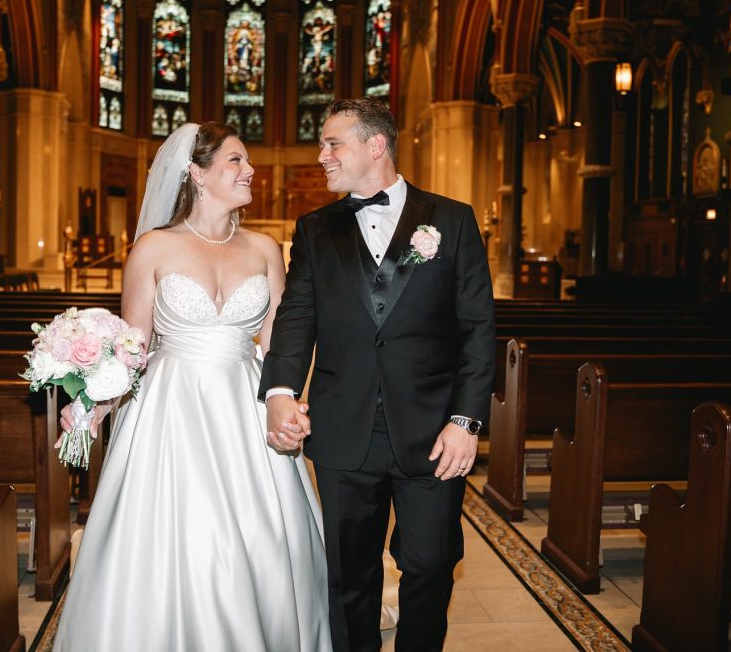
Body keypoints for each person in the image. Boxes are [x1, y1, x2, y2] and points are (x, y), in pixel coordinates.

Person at [53, 122, 331, 651]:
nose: (250, 171)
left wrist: (292, 401)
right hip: (171, 413)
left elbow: (281, 346)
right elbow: (132, 349)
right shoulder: (153, 250)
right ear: (197, 174)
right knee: (182, 539)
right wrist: (94, 404)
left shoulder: (266, 249)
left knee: (264, 539)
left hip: (246, 408)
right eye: (235, 161)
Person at [260, 96, 496, 652]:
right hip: (345, 431)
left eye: (331, 143)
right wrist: (279, 390)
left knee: (433, 565)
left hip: (435, 432)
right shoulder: (316, 230)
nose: (321, 155)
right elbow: (296, 318)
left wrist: (466, 420)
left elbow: (477, 332)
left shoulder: (451, 220)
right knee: (349, 578)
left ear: (375, 145)